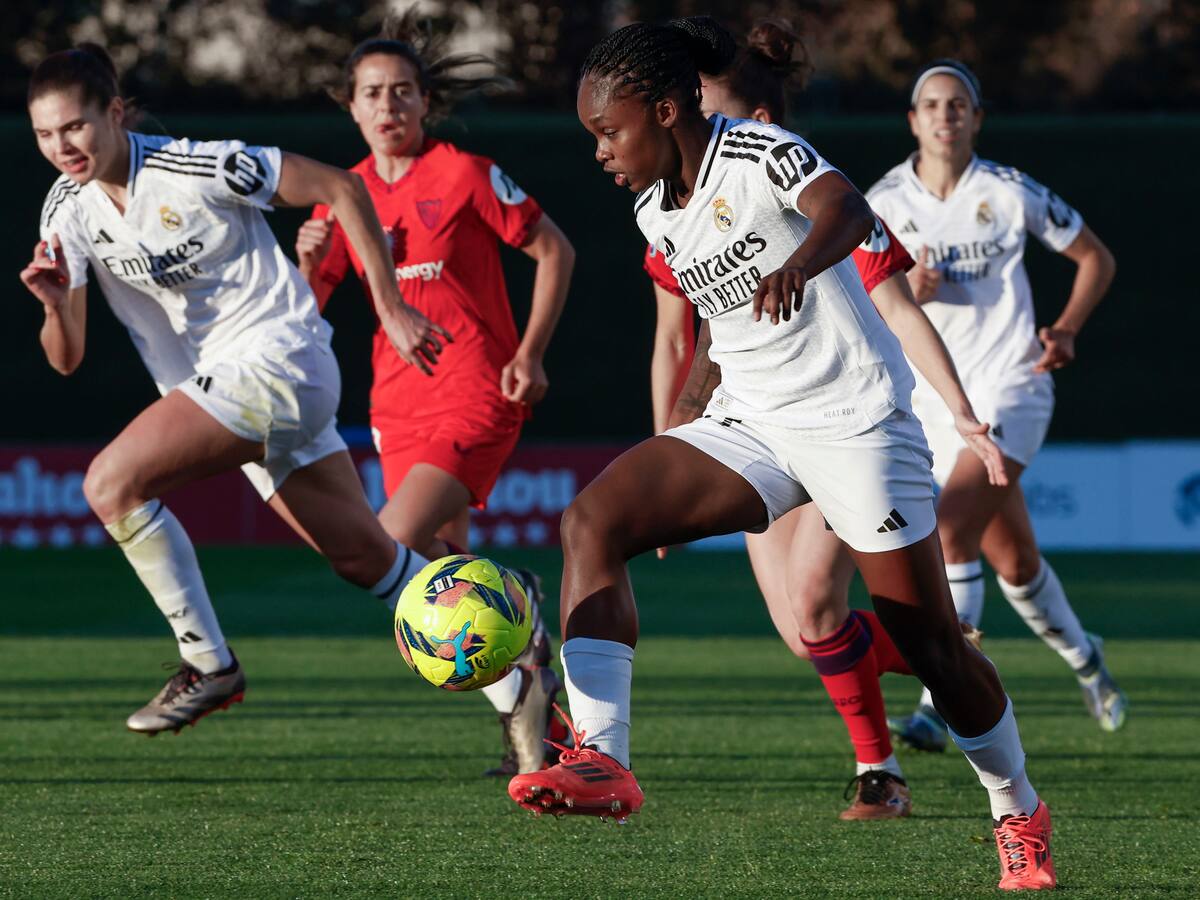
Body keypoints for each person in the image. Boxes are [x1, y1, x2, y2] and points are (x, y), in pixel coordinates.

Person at [510, 18, 1057, 891]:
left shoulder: (758, 152)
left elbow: (848, 209)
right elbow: (718, 329)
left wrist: (799, 263)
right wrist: (680, 422)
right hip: (753, 422)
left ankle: (1017, 809)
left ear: (664, 110)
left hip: (856, 424)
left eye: (609, 130)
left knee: (932, 648)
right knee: (592, 520)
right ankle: (601, 758)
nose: (600, 152)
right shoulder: (653, 207)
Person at [22, 44, 448, 736]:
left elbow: (343, 187)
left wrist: (391, 307)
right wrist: (51, 305)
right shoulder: (65, 210)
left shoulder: (197, 166)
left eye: (75, 126)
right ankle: (519, 673)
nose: (61, 146)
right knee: (368, 561)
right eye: (45, 133)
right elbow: (66, 358)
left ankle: (209, 664)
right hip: (230, 393)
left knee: (110, 484)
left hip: (279, 362)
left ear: (115, 113)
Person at [641, 19, 1007, 820]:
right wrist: (673, 448)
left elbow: (900, 312)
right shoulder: (673, 214)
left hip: (843, 422)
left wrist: (963, 414)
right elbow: (679, 340)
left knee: (813, 602)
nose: (690, 126)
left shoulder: (820, 205)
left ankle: (883, 769)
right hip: (752, 424)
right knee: (805, 628)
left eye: (708, 110)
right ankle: (941, 654)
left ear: (757, 123)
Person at [293, 10, 575, 776]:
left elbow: (556, 250)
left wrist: (531, 352)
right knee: (441, 571)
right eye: (373, 93)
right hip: (396, 406)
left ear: (425, 102)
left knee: (388, 543)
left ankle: (521, 603)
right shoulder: (340, 197)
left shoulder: (464, 173)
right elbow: (304, 314)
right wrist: (307, 261)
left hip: (478, 386)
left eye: (403, 91)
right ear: (351, 107)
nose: (389, 106)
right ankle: (539, 726)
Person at [867, 59, 1125, 753]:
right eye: (932, 105)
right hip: (935, 402)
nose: (945, 115)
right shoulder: (882, 201)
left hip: (1013, 385)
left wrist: (1065, 329)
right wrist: (907, 292)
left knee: (950, 531)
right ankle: (1087, 660)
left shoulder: (1008, 190)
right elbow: (856, 299)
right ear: (913, 121)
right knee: (1014, 564)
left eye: (958, 104)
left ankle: (938, 702)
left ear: (976, 119)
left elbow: (1096, 258)